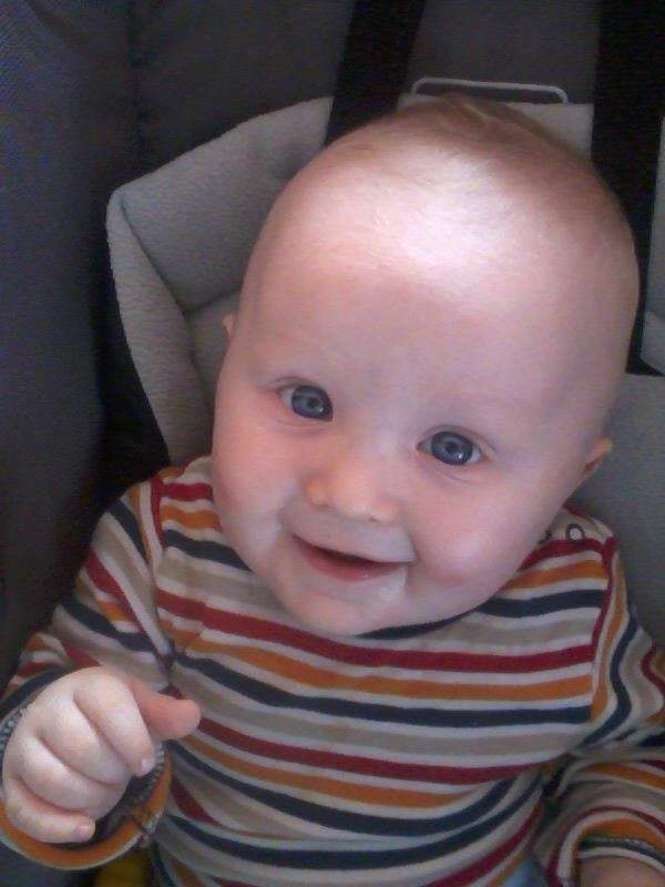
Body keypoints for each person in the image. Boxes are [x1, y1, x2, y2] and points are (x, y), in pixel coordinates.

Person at [0, 96, 663, 887]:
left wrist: (622, 856)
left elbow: (632, 755)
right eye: (307, 400)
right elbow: (59, 700)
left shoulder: (571, 605)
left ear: (566, 480)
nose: (349, 494)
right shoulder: (164, 543)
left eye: (451, 448)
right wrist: (59, 753)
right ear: (231, 362)